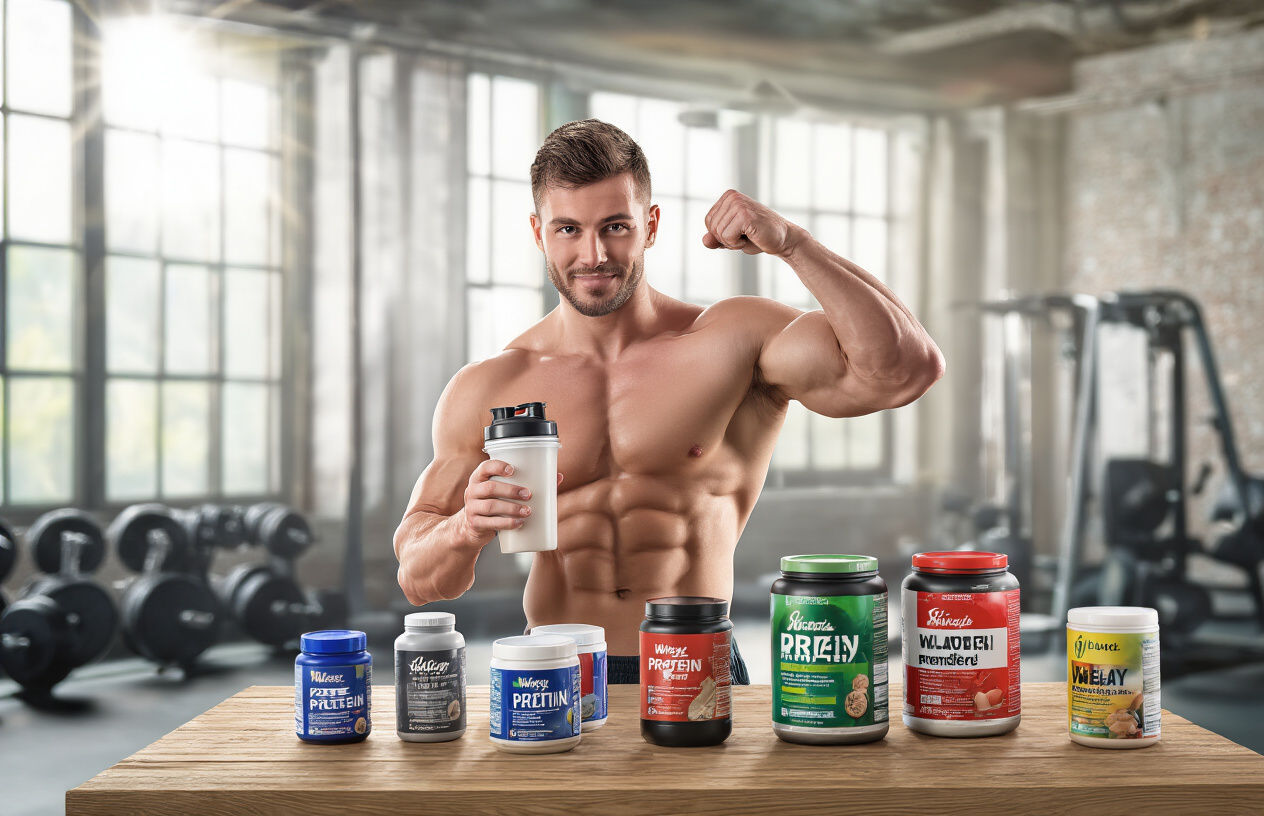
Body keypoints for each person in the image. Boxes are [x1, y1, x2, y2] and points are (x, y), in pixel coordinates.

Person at [395, 119, 944, 684]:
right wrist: (465, 527)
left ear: (650, 225)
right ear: (539, 233)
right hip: (555, 665)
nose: (593, 254)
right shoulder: (490, 386)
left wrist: (794, 246)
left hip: (693, 660)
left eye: (615, 226)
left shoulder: (731, 341)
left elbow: (904, 370)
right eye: (567, 229)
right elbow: (420, 580)